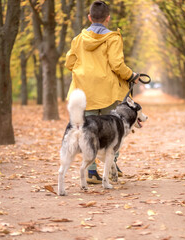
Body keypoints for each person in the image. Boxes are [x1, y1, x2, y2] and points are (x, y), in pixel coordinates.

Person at [65, 0, 138, 184]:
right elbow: (116, 64)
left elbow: (69, 63)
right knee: (114, 130)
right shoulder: (113, 38)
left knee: (88, 130)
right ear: (108, 18)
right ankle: (112, 165)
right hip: (107, 92)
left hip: (84, 90)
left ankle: (91, 172)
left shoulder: (78, 39)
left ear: (89, 17)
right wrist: (132, 75)